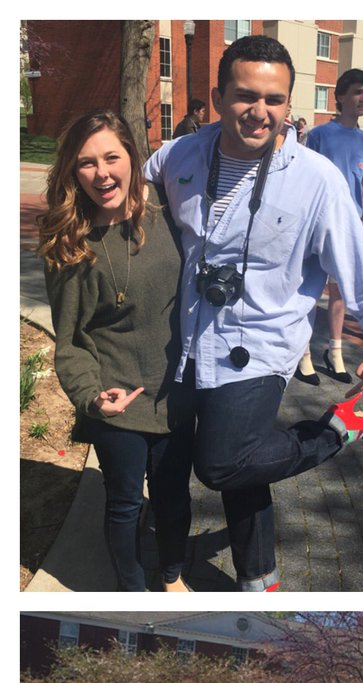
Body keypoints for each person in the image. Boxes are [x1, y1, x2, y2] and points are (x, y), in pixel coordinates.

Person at [144, 35, 363, 591]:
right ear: (219, 97)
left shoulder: (315, 179)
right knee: (243, 459)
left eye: (274, 99)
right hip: (186, 334)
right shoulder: (178, 155)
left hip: (260, 342)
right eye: (245, 96)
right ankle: (258, 577)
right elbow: (131, 197)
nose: (259, 111)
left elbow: (353, 254)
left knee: (222, 462)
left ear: (288, 104)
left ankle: (335, 432)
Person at [35, 109, 193, 592]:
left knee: (172, 495)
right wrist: (91, 396)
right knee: (124, 502)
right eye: (87, 163)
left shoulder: (168, 211)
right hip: (116, 396)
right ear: (73, 171)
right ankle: (133, 588)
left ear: (132, 157)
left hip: (175, 392)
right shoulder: (70, 244)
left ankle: (171, 576)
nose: (102, 174)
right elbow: (71, 340)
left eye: (111, 157)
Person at [298, 69, 363, 386]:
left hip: (350, 226)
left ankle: (335, 353)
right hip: (318, 223)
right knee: (310, 290)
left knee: (340, 292)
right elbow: (307, 181)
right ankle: (303, 353)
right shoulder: (320, 135)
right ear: (341, 96)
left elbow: (362, 187)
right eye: (358, 91)